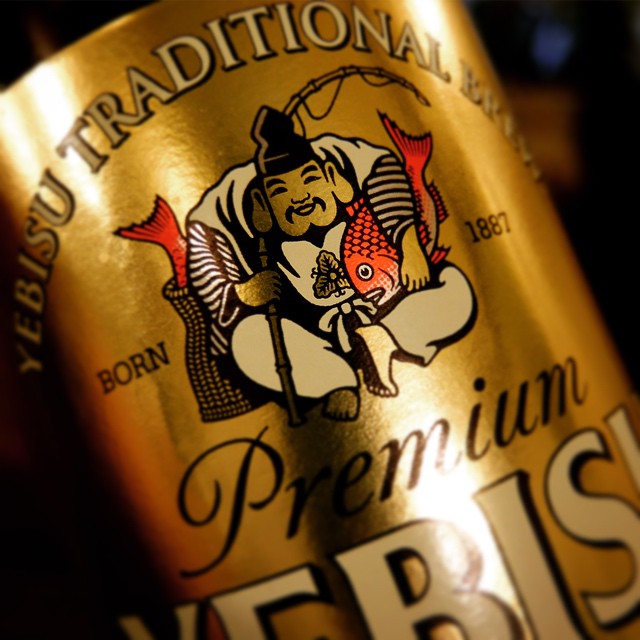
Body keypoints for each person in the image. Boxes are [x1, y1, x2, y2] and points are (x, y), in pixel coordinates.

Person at [187, 107, 475, 420]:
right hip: (316, 338)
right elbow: (204, 250)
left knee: (454, 288)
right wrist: (243, 293)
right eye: (281, 192)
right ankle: (335, 382)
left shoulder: (362, 224)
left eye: (310, 180)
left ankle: (387, 339)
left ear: (334, 180)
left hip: (387, 313)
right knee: (248, 340)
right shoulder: (265, 251)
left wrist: (408, 243)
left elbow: (383, 174)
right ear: (264, 207)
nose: (300, 198)